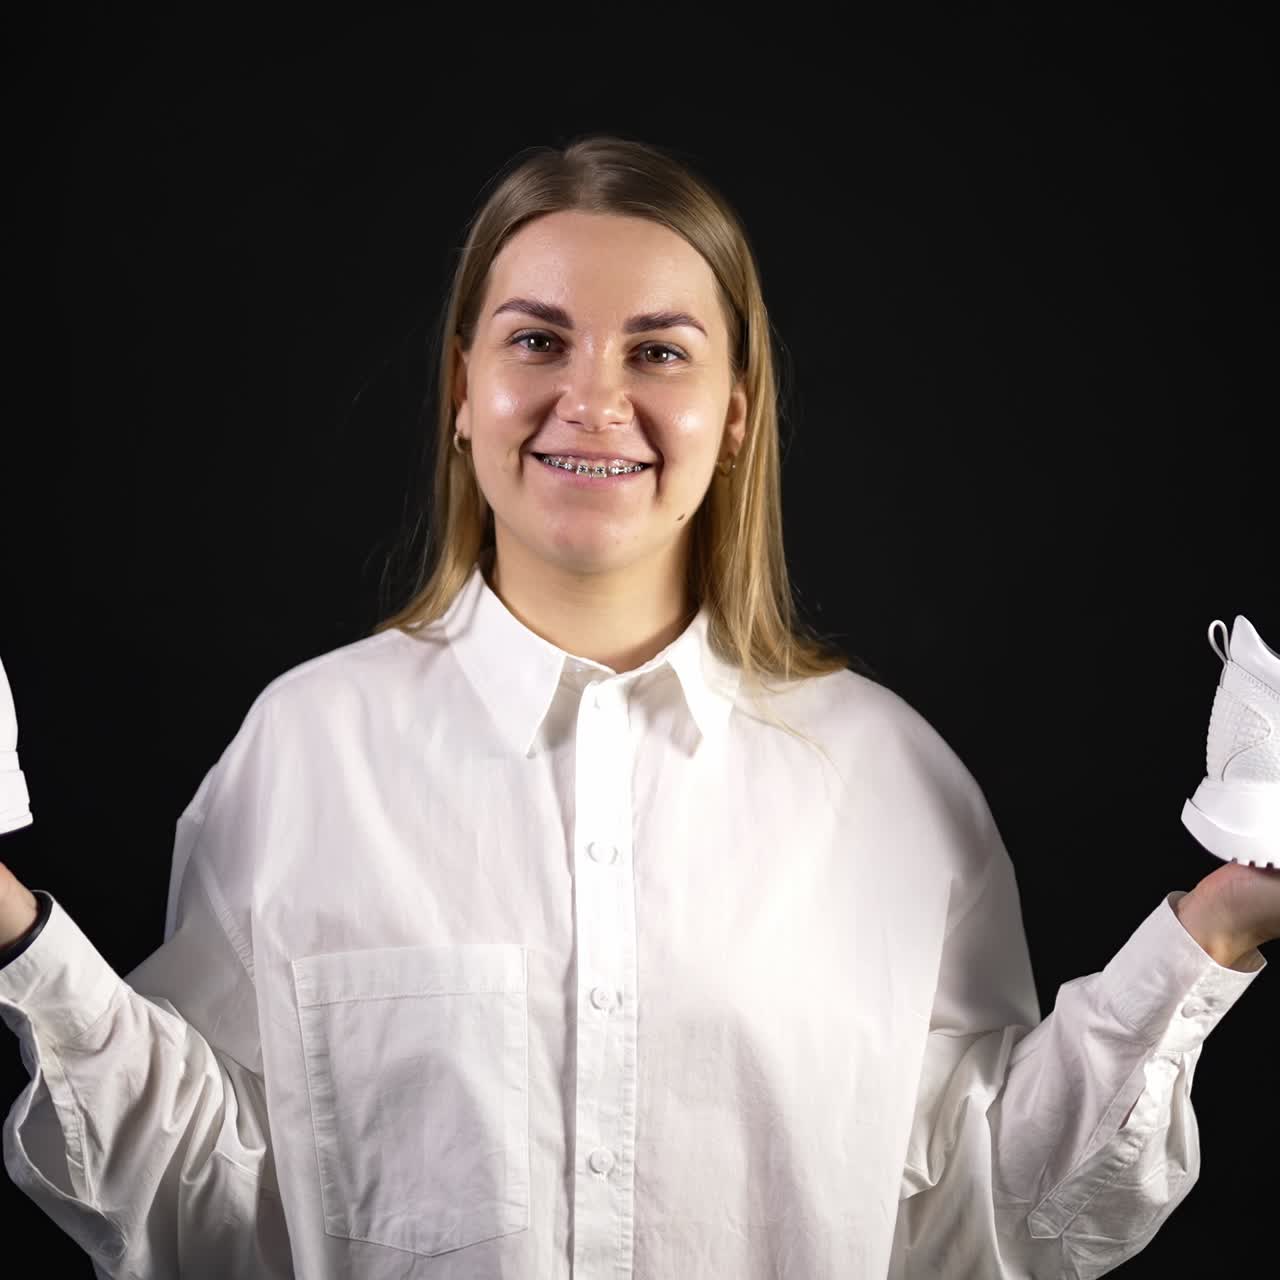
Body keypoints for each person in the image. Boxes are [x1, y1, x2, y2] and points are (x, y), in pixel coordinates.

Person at [0, 133, 1276, 1280]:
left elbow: (984, 1215)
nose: (591, 399)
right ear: (462, 389)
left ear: (733, 413)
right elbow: (204, 1200)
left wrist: (1211, 932)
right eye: (536, 339)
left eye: (656, 349)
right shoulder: (305, 746)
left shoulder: (889, 777)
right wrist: (15, 933)